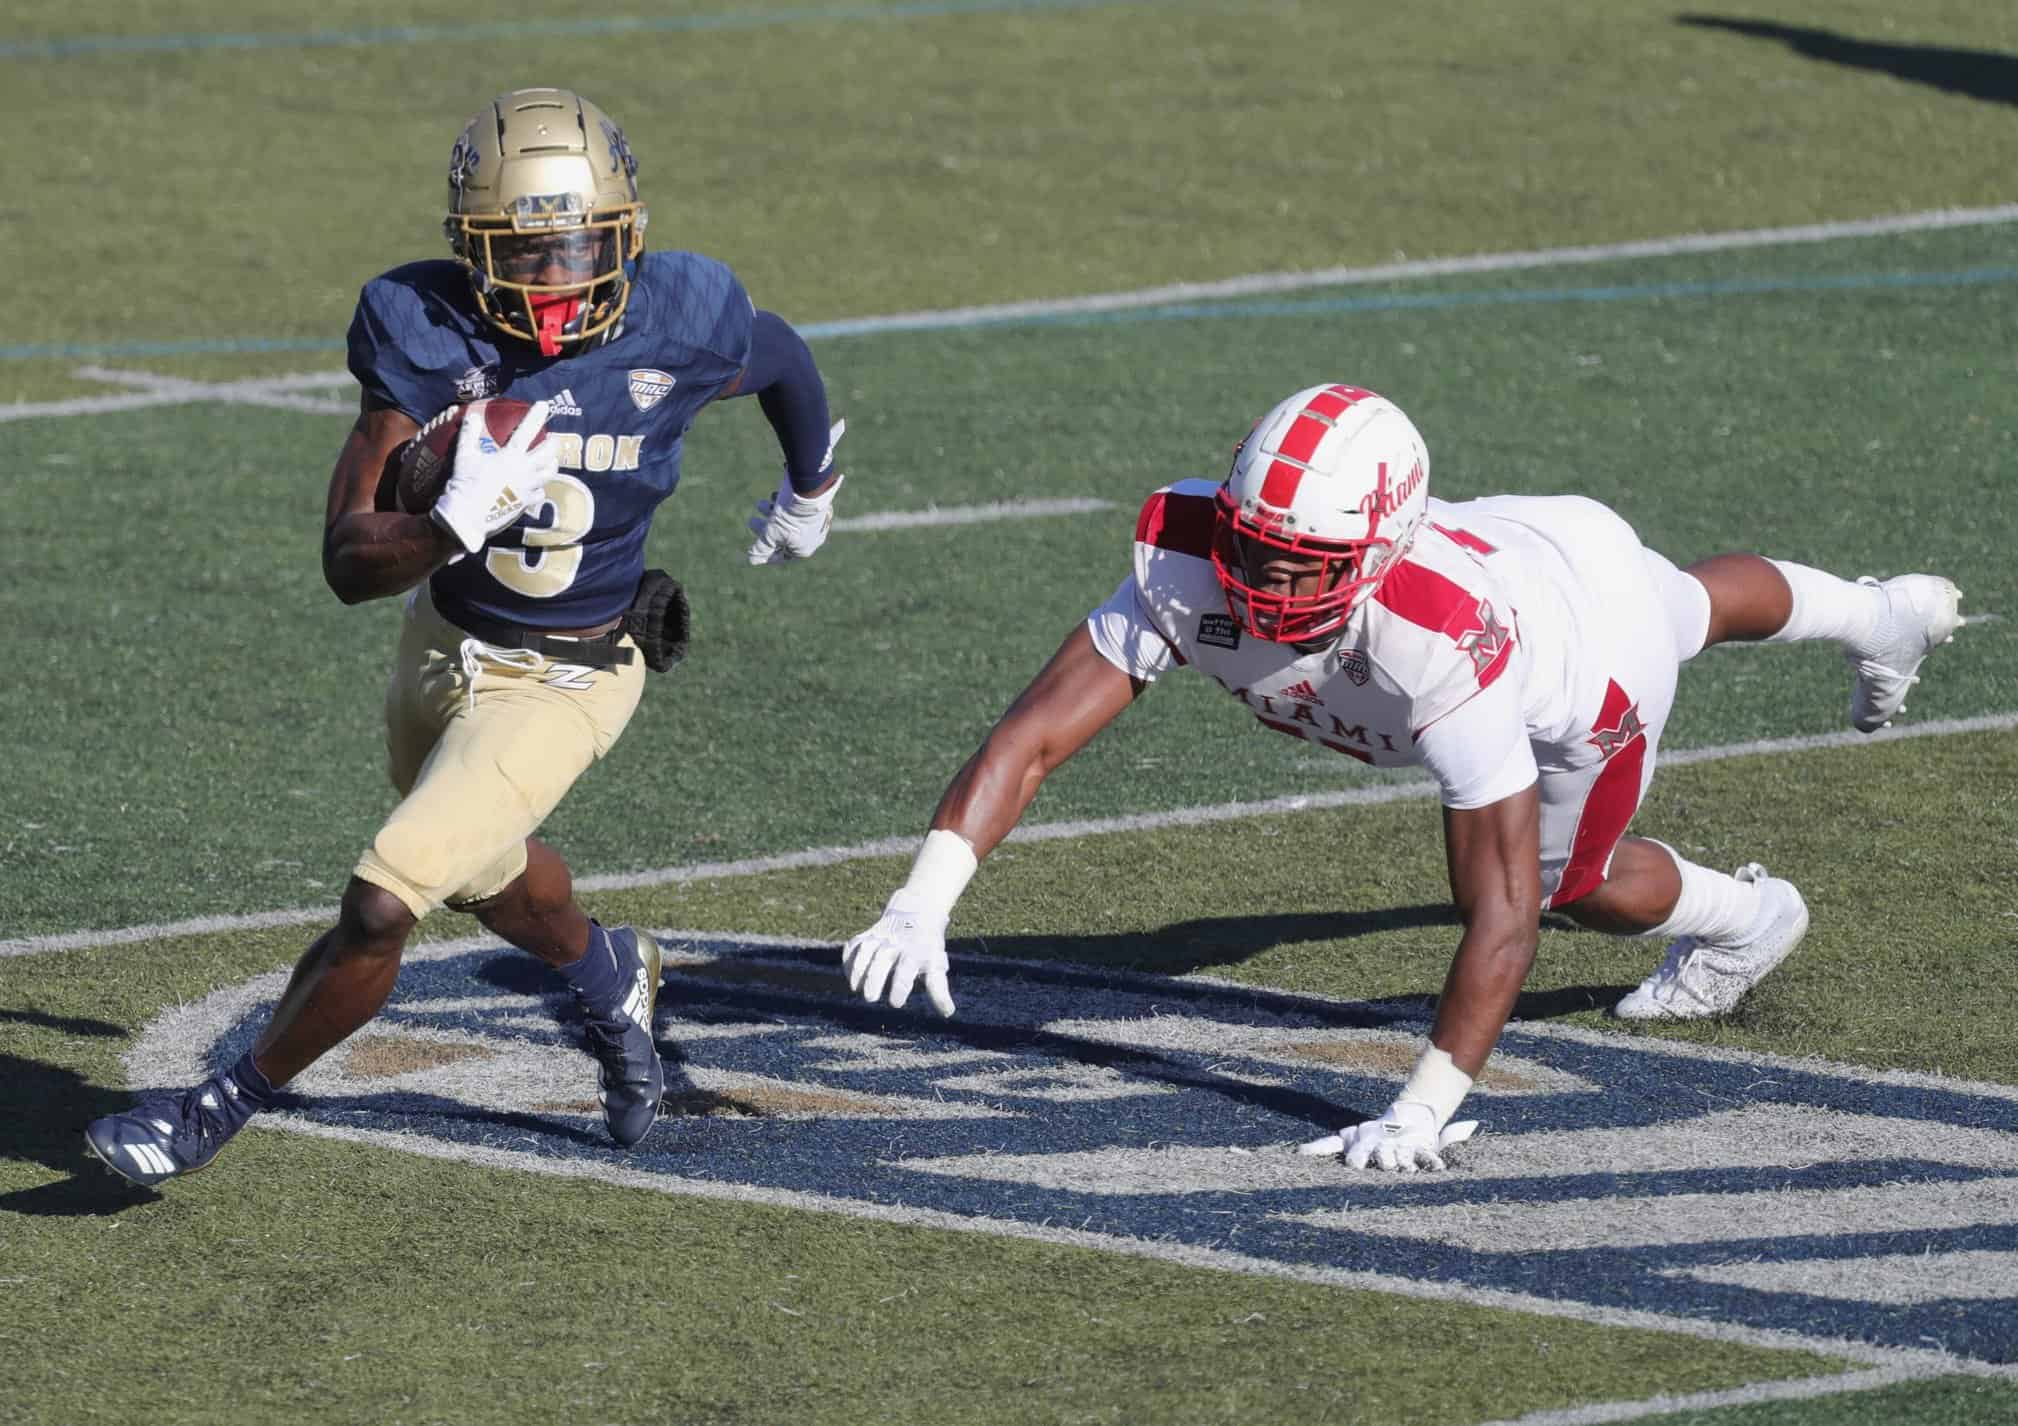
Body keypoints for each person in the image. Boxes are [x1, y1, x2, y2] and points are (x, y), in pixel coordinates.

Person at [840, 382, 1963, 1173]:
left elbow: (1503, 914)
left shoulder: (1443, 649)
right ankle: (1880, 612)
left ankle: (1748, 915)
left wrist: (1422, 1107)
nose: (1264, 578)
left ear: (1374, 551)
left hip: (1581, 650)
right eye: (1252, 543)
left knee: (1569, 878)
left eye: (1301, 561)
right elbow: (1030, 736)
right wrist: (921, 899)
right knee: (1692, 601)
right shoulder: (1193, 556)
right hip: (1524, 546)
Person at [85, 88, 847, 1186]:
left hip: (575, 672)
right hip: (441, 644)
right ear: (469, 249)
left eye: (580, 246)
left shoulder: (679, 317)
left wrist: (810, 482)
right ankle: (605, 973)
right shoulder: (426, 330)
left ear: (625, 233)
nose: (556, 279)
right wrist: (447, 522)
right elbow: (349, 562)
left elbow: (776, 356)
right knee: (485, 875)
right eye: (524, 254)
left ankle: (208, 1112)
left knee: (384, 897)